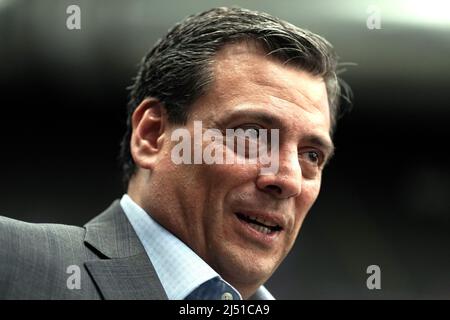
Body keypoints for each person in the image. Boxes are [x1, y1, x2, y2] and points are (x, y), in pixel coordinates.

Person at [0, 6, 350, 299]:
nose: (288, 179)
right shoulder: (13, 262)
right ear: (152, 136)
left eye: (311, 155)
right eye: (252, 135)